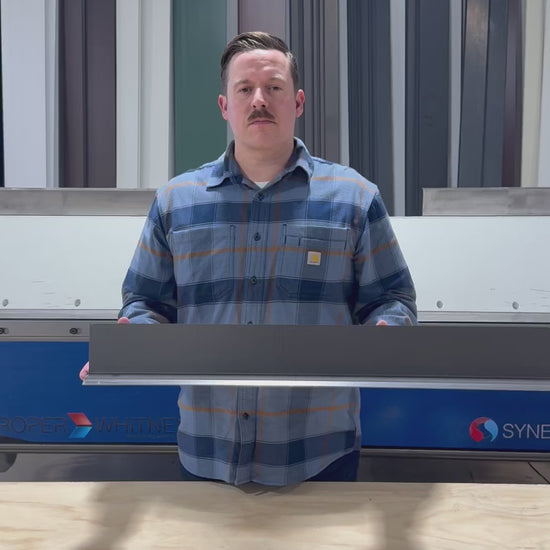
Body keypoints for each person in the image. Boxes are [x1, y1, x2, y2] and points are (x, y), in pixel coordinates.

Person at [80, 31, 417, 485]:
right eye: (245, 89)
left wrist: (387, 332)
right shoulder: (176, 202)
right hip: (208, 454)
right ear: (225, 106)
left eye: (274, 87)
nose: (259, 100)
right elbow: (146, 302)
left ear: (298, 102)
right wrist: (133, 339)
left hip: (318, 457)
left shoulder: (354, 198)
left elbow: (392, 299)